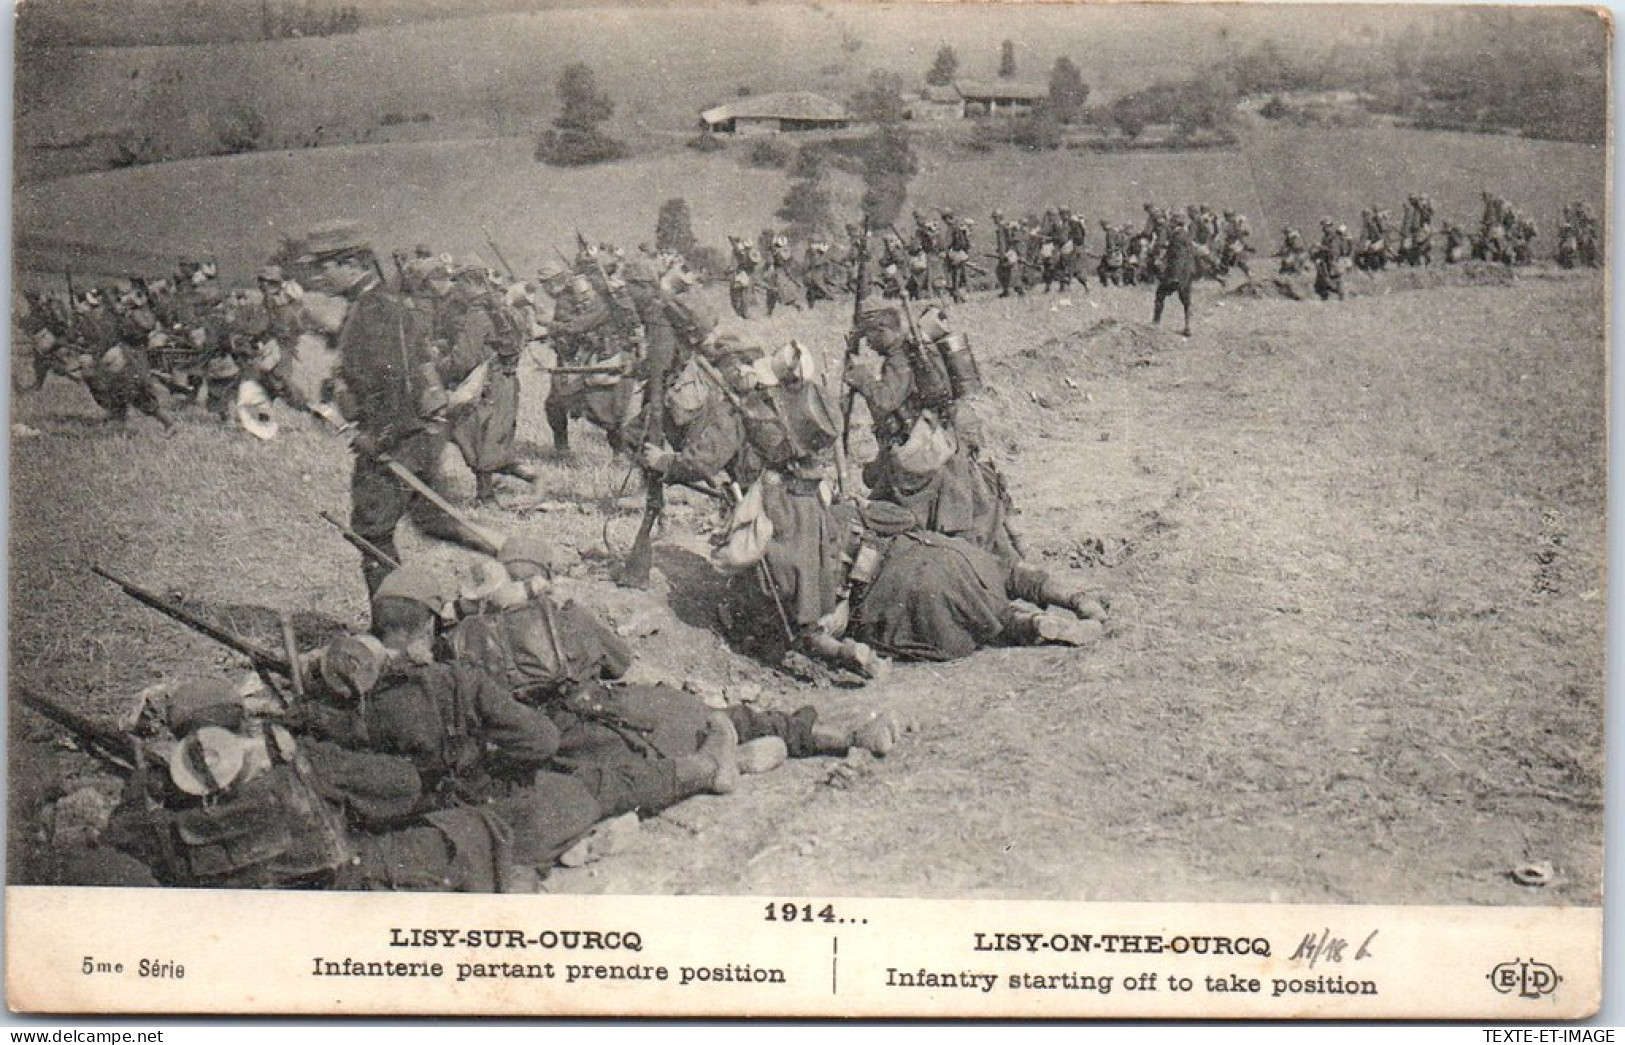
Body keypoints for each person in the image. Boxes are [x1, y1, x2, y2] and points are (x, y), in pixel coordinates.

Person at [714, 468, 1107, 679]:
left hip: (907, 594)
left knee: (992, 622)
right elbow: (904, 517)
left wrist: (856, 651)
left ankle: (1033, 624)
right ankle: (1075, 599)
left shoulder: (785, 572)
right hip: (935, 553)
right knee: (1008, 577)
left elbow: (811, 634)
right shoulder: (842, 515)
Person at [314, 221, 493, 595]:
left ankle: (400, 621)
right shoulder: (369, 305)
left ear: (350, 263)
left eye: (324, 266)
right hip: (408, 433)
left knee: (371, 533)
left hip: (394, 435)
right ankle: (506, 554)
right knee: (431, 519)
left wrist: (375, 437)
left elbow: (398, 383)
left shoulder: (375, 310)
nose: (319, 275)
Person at [1152, 214, 1196, 337]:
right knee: (1186, 300)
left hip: (1177, 274)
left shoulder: (1177, 237)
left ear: (1174, 223)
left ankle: (1156, 323)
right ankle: (1188, 326)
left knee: (1160, 294)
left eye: (1171, 222)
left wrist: (1174, 276)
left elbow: (1179, 258)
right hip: (1187, 272)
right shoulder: (1186, 236)